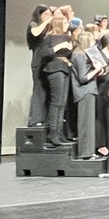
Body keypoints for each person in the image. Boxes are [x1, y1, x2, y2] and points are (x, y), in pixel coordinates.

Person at [39, 9, 73, 147]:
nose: (66, 24)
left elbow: (68, 54)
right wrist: (60, 46)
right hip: (54, 69)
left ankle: (59, 132)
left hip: (65, 68)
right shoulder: (49, 37)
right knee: (56, 102)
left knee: (62, 104)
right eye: (64, 22)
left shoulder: (67, 37)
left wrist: (70, 48)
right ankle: (52, 133)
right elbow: (44, 53)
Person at [70, 32, 102, 159]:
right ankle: (85, 152)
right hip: (84, 91)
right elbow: (83, 78)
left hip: (89, 91)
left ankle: (89, 151)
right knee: (85, 124)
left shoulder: (84, 55)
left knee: (89, 124)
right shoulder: (79, 55)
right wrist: (96, 70)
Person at [26, 5, 52, 127]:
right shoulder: (34, 24)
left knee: (47, 91)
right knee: (39, 90)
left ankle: (45, 119)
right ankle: (35, 119)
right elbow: (35, 33)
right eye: (46, 14)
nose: (49, 16)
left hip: (47, 62)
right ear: (39, 15)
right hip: (38, 61)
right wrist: (47, 21)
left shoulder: (48, 29)